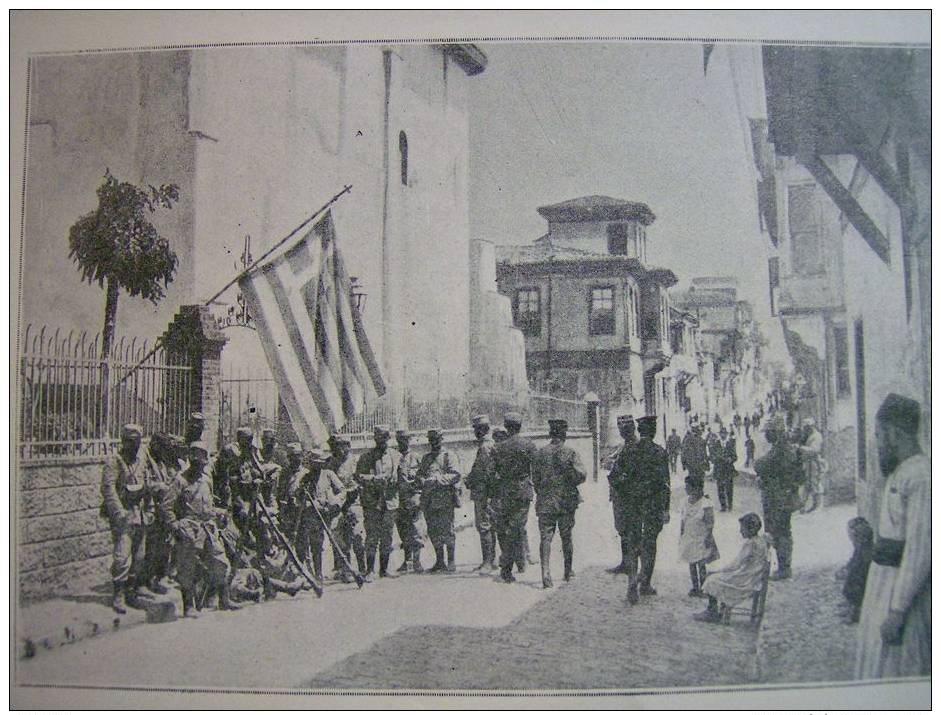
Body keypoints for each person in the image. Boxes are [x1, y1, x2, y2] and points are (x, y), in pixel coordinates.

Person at [855, 394, 930, 680]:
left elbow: (920, 551)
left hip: (903, 595)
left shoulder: (922, 477)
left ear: (894, 433)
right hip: (882, 584)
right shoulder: (900, 473)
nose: (877, 444)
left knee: (901, 666)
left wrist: (898, 611)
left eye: (879, 435)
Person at [159, 442, 238, 617]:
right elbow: (166, 507)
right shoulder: (180, 481)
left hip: (208, 528)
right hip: (189, 529)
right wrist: (175, 525)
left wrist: (220, 513)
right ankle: (189, 607)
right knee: (188, 567)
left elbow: (208, 506)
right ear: (190, 461)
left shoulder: (206, 480)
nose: (199, 466)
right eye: (196, 462)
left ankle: (224, 600)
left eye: (202, 463)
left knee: (220, 561)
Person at [612, 415, 671, 604]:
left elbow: (615, 478)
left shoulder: (629, 452)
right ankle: (645, 583)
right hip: (653, 506)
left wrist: (625, 494)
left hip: (633, 505)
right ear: (653, 431)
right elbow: (665, 484)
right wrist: (665, 508)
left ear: (640, 430)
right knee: (650, 544)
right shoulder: (660, 452)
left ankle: (632, 580)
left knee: (633, 542)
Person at [100, 424, 151, 613]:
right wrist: (119, 512)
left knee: (139, 556)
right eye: (130, 441)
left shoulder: (142, 458)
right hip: (124, 514)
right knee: (122, 556)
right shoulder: (114, 461)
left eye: (137, 441)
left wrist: (150, 509)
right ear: (123, 441)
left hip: (140, 512)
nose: (134, 445)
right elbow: (108, 489)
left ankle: (131, 592)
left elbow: (146, 483)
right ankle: (118, 594)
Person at [532, 418, 586, 588]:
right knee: (566, 536)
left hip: (546, 502)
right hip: (566, 502)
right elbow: (581, 475)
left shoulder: (540, 453)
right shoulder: (570, 453)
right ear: (564, 434)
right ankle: (568, 571)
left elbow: (536, 480)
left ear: (550, 434)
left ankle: (545, 574)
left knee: (545, 538)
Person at [694, 512, 770, 624]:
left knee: (712, 579)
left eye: (742, 528)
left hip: (746, 579)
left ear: (751, 529)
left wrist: (720, 570)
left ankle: (712, 611)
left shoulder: (750, 544)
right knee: (717, 577)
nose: (740, 531)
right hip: (753, 576)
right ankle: (716, 610)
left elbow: (736, 564)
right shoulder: (760, 541)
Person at [754, 415, 804, 580]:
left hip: (780, 498)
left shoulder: (782, 449)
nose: (766, 435)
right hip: (779, 497)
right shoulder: (782, 447)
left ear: (776, 432)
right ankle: (782, 566)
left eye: (768, 432)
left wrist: (761, 469)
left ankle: (784, 568)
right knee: (779, 531)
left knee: (780, 532)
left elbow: (762, 465)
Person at [492, 412, 538, 583]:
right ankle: (508, 566)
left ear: (506, 427)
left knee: (508, 529)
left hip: (505, 492)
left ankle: (515, 564)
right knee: (516, 528)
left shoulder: (498, 447)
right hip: (523, 492)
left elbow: (493, 472)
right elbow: (537, 468)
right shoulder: (529, 446)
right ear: (520, 426)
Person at [292, 447, 345, 584]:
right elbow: (297, 496)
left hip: (329, 513)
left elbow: (342, 491)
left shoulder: (329, 474)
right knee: (316, 544)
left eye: (319, 463)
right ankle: (317, 574)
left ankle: (343, 569)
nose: (317, 465)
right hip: (313, 516)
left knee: (338, 541)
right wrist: (304, 501)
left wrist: (334, 501)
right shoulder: (305, 478)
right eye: (314, 463)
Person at [357, 424, 400, 579]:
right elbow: (359, 477)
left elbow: (402, 477)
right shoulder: (366, 457)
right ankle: (369, 570)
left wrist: (396, 480)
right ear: (375, 438)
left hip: (390, 503)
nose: (382, 440)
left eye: (385, 437)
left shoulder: (396, 456)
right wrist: (375, 479)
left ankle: (384, 570)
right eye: (379, 437)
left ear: (389, 438)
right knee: (372, 537)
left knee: (387, 537)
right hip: (372, 503)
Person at [141, 431, 181, 596]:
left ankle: (160, 578)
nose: (165, 451)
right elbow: (143, 483)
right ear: (154, 445)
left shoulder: (161, 460)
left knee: (164, 545)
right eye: (162, 447)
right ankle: (145, 582)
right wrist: (160, 486)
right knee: (150, 548)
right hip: (148, 508)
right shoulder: (144, 460)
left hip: (161, 509)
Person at [418, 428, 462, 573]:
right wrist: (422, 480)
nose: (434, 443)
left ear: (441, 439)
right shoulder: (426, 458)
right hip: (429, 500)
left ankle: (451, 561)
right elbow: (420, 475)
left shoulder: (449, 456)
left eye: (436, 439)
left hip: (444, 499)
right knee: (434, 531)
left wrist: (436, 479)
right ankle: (439, 561)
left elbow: (455, 475)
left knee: (447, 531)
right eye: (431, 440)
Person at [328, 432, 366, 582]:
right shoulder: (331, 463)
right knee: (339, 538)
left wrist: (352, 489)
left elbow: (361, 481)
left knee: (357, 536)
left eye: (341, 446)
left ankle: (363, 569)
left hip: (353, 504)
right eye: (336, 446)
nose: (339, 450)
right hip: (338, 506)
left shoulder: (355, 462)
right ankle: (346, 570)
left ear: (348, 447)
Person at [466, 414, 498, 571]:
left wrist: (469, 479)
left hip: (484, 491)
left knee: (484, 525)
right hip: (489, 491)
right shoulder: (490, 444)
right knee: (490, 525)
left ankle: (488, 562)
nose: (475, 432)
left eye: (476, 429)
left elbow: (483, 472)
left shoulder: (485, 446)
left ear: (482, 429)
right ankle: (491, 560)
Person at [606, 415, 637, 574]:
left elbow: (630, 473)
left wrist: (615, 476)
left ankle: (630, 564)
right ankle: (626, 562)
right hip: (620, 495)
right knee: (623, 530)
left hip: (628, 496)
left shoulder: (634, 447)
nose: (621, 431)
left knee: (629, 530)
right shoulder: (623, 447)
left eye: (623, 428)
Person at [680, 475, 719, 597]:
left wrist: (708, 537)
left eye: (688, 487)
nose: (686, 489)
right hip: (689, 537)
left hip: (701, 537)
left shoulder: (705, 503)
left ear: (696, 488)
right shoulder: (684, 502)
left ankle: (704, 587)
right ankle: (695, 587)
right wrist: (681, 535)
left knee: (701, 564)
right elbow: (683, 520)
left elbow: (710, 522)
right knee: (691, 562)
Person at [393, 429, 424, 573]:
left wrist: (417, 487)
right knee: (403, 530)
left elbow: (423, 477)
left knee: (416, 530)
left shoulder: (416, 457)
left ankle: (417, 561)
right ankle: (407, 561)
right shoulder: (394, 457)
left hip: (413, 498)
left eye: (405, 439)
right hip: (398, 499)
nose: (402, 442)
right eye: (400, 439)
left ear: (409, 440)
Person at [837, 517, 873, 624]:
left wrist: (849, 571)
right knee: (850, 580)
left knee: (854, 584)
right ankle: (850, 605)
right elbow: (853, 560)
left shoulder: (866, 551)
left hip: (862, 580)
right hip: (857, 577)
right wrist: (846, 568)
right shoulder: (860, 548)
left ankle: (855, 613)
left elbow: (861, 567)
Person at [797, 417, 825, 513]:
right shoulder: (810, 435)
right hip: (808, 464)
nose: (804, 430)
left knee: (815, 483)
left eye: (806, 428)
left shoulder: (816, 436)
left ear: (811, 427)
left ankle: (818, 506)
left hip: (814, 463)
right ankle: (804, 506)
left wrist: (800, 448)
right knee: (807, 484)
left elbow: (814, 450)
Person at [713, 426, 738, 512]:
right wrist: (717, 458)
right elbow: (712, 456)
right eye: (721, 433)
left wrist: (731, 459)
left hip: (728, 469)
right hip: (719, 469)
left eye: (724, 433)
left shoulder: (730, 444)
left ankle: (730, 505)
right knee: (720, 488)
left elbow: (735, 456)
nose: (723, 435)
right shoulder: (716, 444)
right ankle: (723, 506)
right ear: (720, 434)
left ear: (726, 434)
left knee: (729, 488)